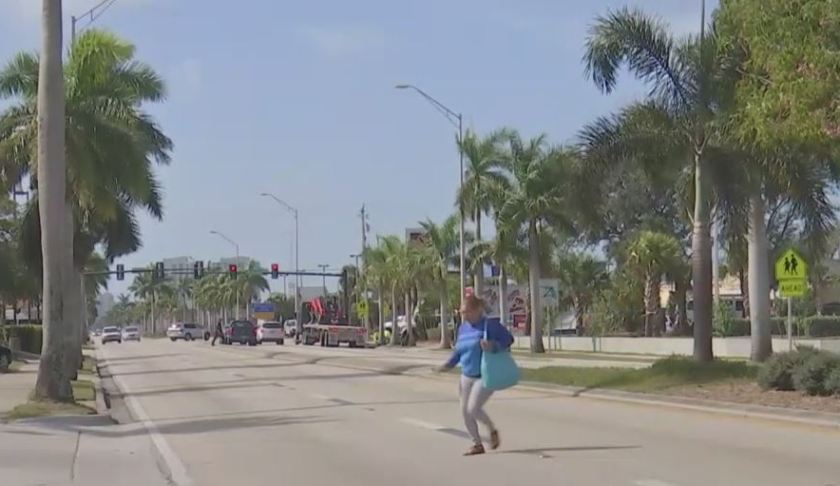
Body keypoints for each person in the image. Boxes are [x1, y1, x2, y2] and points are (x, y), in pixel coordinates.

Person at [437, 295, 514, 456]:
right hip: (466, 375)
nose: (464, 316)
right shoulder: (463, 328)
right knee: (465, 411)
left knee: (473, 408)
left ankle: (492, 430)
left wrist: (493, 345)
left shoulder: (490, 325)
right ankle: (477, 444)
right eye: (462, 312)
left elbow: (508, 339)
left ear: (478, 310)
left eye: (467, 312)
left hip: (485, 375)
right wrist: (448, 365)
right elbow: (459, 351)